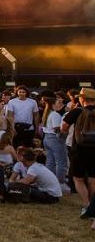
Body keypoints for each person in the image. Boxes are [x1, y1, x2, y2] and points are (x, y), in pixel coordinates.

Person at [63, 88, 95, 222]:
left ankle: (87, 205)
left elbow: (64, 127)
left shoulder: (77, 111)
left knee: (78, 179)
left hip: (79, 149)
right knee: (93, 180)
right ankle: (93, 206)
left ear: (82, 99)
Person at [40, 93, 68, 186]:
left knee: (50, 161)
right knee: (61, 162)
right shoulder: (55, 114)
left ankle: (49, 181)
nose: (59, 105)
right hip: (54, 138)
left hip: (46, 137)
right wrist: (64, 134)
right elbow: (57, 128)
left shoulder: (46, 113)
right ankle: (60, 182)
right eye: (57, 103)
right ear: (52, 104)